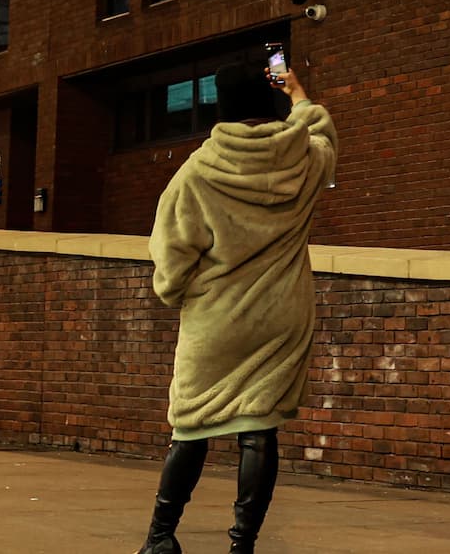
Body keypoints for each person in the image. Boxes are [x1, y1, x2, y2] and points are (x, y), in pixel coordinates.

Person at [136, 60, 338, 554]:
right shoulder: (304, 160)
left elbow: (171, 256)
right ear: (265, 104)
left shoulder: (197, 172)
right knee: (259, 428)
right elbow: (322, 133)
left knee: (190, 426)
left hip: (217, 319)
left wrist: (175, 289)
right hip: (281, 316)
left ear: (220, 110)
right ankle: (241, 546)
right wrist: (297, 93)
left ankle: (161, 538)